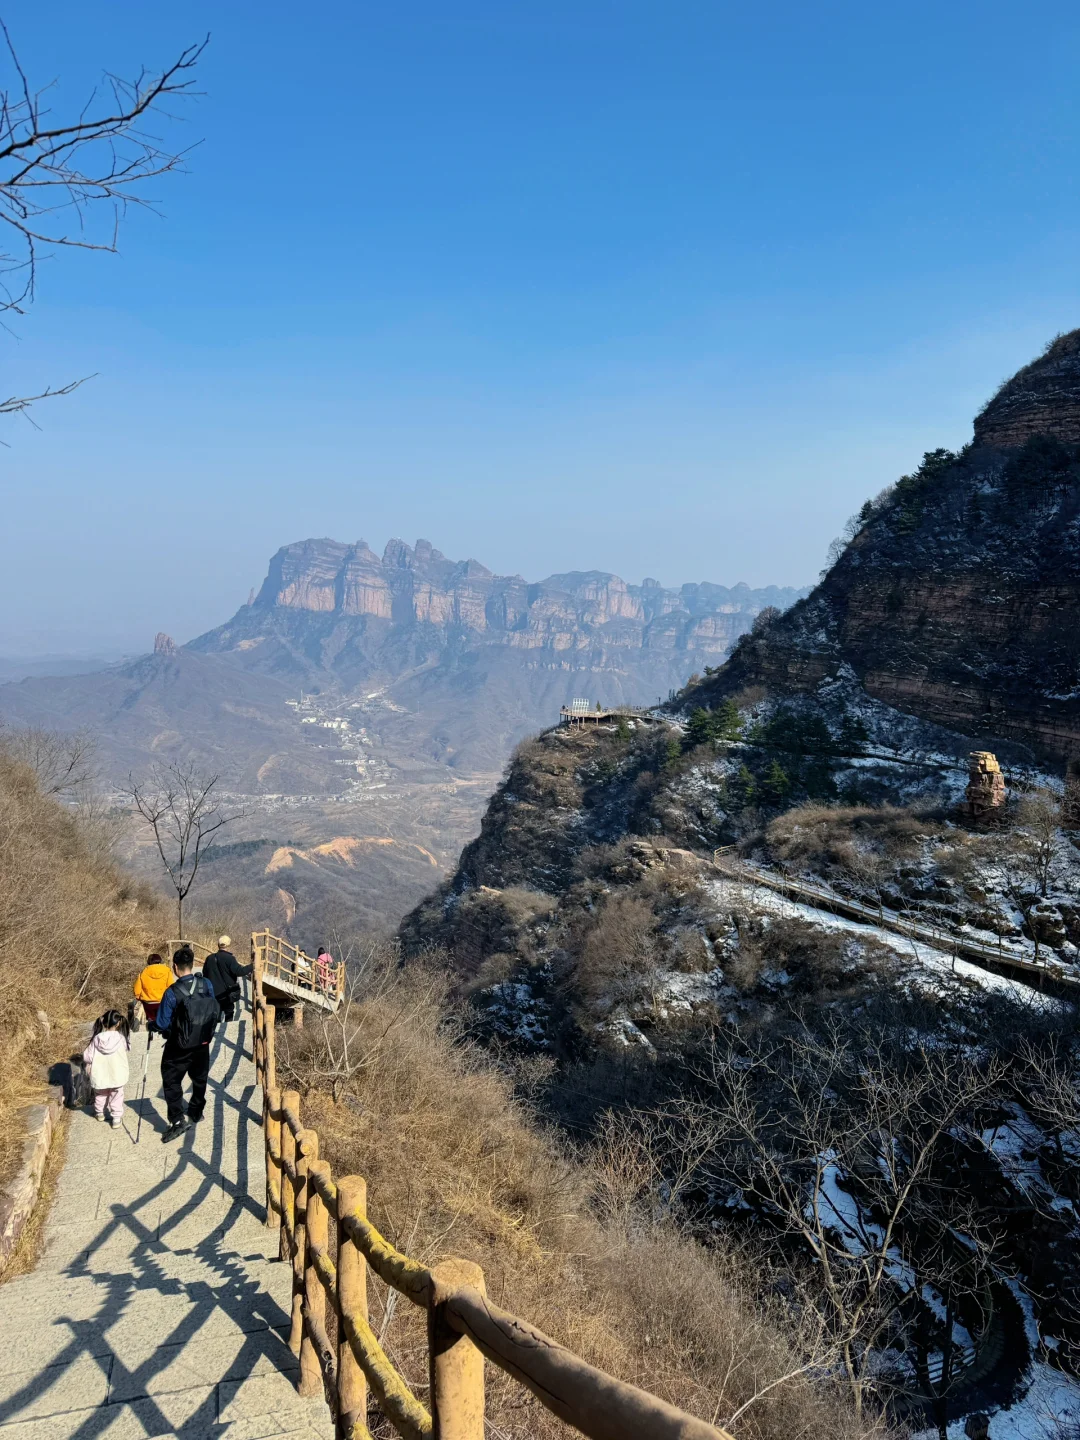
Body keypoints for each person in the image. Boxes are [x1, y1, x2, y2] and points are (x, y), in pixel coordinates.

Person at [155, 946, 220, 1142]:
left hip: (178, 1046)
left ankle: (177, 1120)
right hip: (202, 1042)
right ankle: (196, 1111)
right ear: (191, 965)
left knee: (172, 1081)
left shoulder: (172, 993)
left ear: (175, 967)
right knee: (200, 1079)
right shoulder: (206, 984)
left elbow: (162, 1023)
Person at [83, 1010, 131, 1128]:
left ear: (103, 1022)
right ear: (118, 1023)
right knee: (117, 1095)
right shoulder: (121, 1038)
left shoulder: (97, 1039)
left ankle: (100, 1113)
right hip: (117, 1073)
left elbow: (87, 1057)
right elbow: (126, 1049)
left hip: (100, 1073)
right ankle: (116, 1118)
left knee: (100, 1094)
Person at [201, 935, 252, 1024]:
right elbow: (239, 971)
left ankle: (215, 1030)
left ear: (218, 945)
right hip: (227, 992)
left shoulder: (210, 958)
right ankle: (227, 1026)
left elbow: (204, 974)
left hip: (213, 992)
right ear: (228, 946)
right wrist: (252, 966)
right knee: (229, 1012)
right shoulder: (230, 958)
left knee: (216, 1013)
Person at [133, 952, 173, 1030]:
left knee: (151, 1018)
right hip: (163, 1002)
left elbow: (137, 990)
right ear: (160, 961)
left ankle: (151, 1025)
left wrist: (139, 997)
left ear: (149, 962)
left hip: (148, 1004)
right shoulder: (167, 971)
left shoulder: (143, 972)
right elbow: (171, 986)